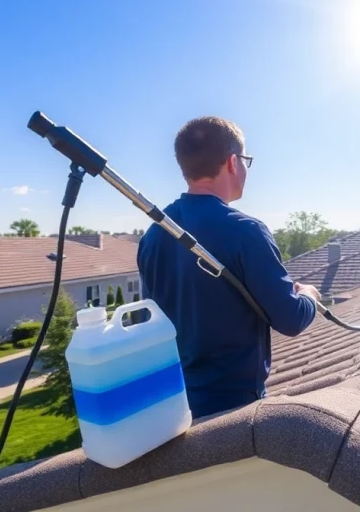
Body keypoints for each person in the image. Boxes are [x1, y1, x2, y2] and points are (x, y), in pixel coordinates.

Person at [137, 116, 320, 418]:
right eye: (246, 160)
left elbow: (151, 320)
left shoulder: (154, 235)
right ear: (233, 162)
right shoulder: (246, 231)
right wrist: (309, 295)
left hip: (174, 406)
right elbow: (291, 319)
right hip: (233, 411)